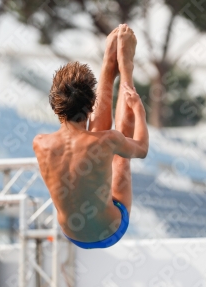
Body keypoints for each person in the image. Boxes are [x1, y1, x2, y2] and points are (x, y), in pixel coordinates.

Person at [33, 24, 149, 249]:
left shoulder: (39, 143)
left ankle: (109, 65)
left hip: (72, 233)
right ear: (91, 106)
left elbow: (83, 142)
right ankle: (124, 72)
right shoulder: (106, 141)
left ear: (55, 106)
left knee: (98, 144)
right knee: (120, 158)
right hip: (110, 230)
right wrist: (139, 111)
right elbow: (142, 149)